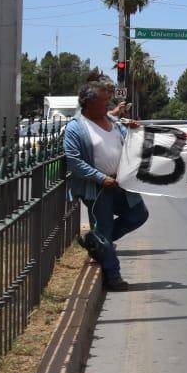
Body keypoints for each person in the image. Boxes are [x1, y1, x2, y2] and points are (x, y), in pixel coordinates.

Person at [64, 75, 147, 291]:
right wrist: (101, 178)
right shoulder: (76, 128)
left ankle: (97, 242)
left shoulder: (112, 122)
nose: (108, 105)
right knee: (105, 227)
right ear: (89, 103)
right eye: (103, 101)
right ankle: (113, 275)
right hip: (98, 188)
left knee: (139, 215)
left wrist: (134, 131)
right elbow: (74, 162)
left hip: (120, 184)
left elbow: (128, 143)